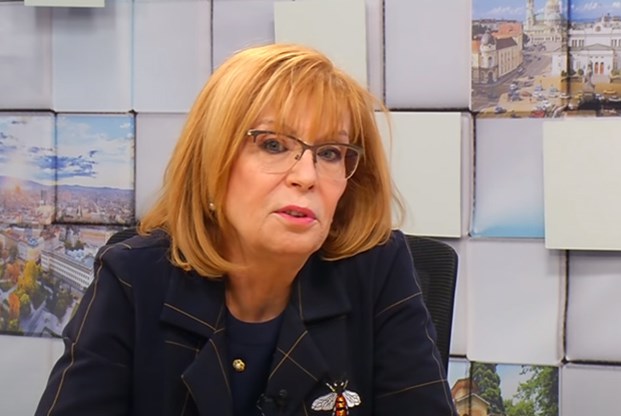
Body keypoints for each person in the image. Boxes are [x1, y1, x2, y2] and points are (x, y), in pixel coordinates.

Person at [35, 43, 456, 416]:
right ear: (211, 163)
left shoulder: (378, 269)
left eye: (329, 152)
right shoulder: (133, 277)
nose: (307, 176)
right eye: (273, 145)